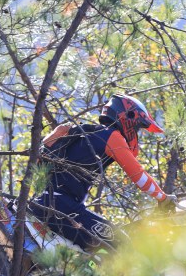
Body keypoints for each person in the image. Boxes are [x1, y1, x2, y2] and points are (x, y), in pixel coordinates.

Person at [29, 93, 174, 252]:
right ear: (129, 118)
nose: (137, 133)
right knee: (122, 244)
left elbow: (40, 156)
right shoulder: (111, 136)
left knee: (89, 253)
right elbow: (138, 175)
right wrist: (163, 197)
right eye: (138, 128)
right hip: (63, 206)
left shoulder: (83, 132)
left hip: (44, 201)